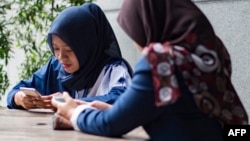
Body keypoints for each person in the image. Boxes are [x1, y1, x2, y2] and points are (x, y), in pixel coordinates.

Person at [51, 0, 249, 140]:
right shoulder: (209, 48)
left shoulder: (160, 62)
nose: (136, 42)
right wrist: (120, 111)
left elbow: (110, 125)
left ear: (149, 24)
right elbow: (185, 114)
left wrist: (74, 112)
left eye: (135, 30)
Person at [7, 3, 132, 110]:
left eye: (69, 49)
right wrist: (19, 98)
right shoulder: (56, 67)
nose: (61, 57)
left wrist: (66, 103)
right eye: (55, 48)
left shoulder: (114, 70)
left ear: (88, 47)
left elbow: (123, 100)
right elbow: (17, 90)